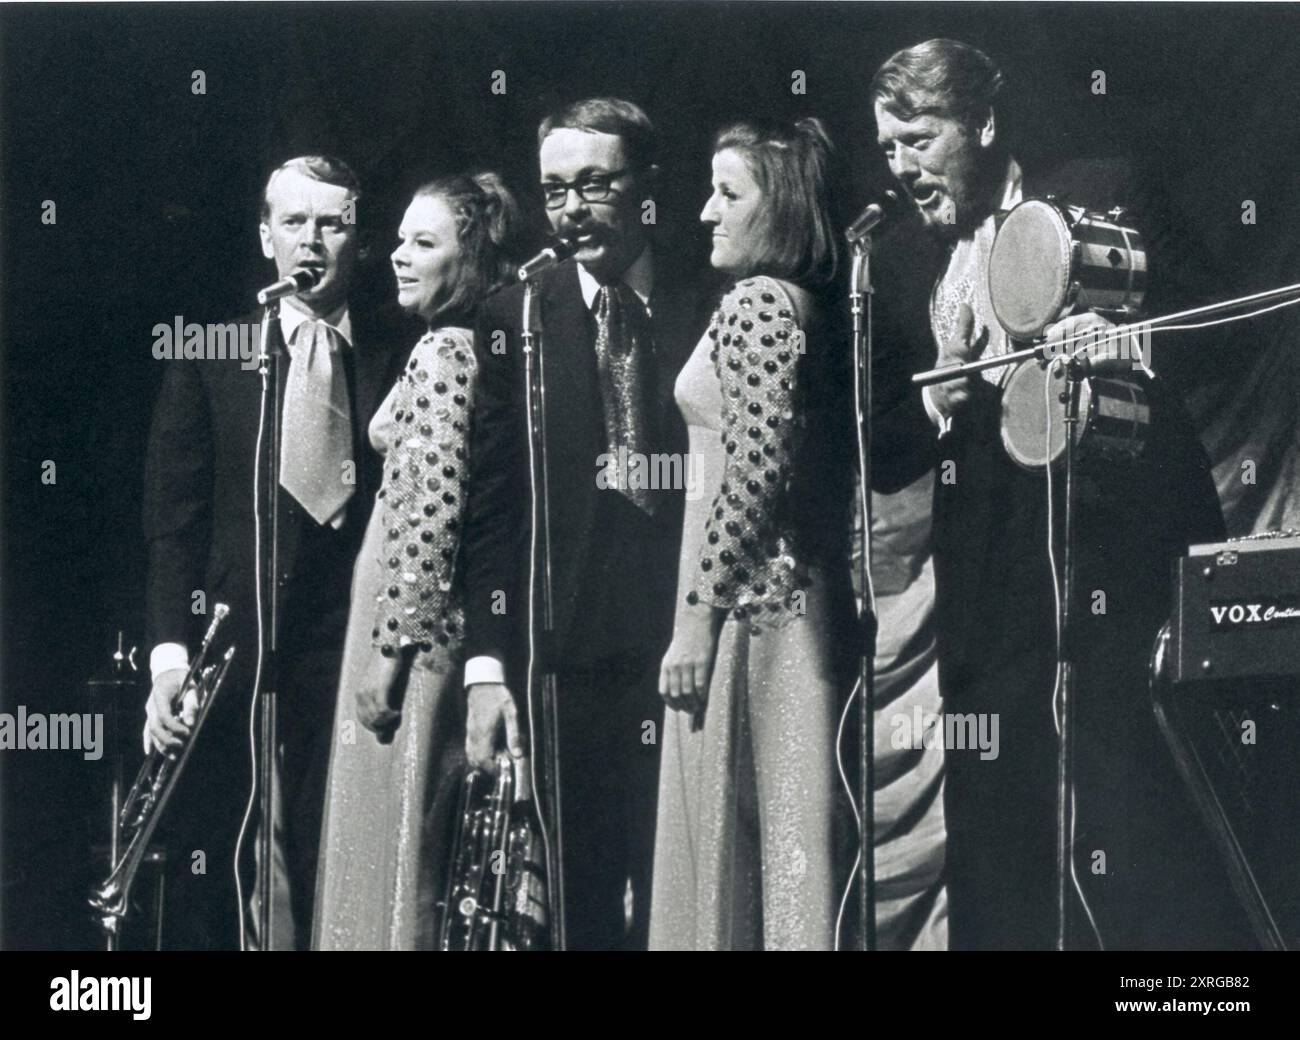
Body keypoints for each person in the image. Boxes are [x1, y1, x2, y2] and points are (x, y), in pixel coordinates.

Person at [868, 39, 1250, 949]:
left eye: (918, 139)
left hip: (1123, 563)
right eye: (886, 148)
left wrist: (1130, 334)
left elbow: (1227, 328)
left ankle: (1188, 1002)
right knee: (995, 816)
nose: (901, 166)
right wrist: (936, 398)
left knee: (1144, 806)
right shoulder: (893, 266)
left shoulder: (1105, 190)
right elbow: (878, 451)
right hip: (988, 593)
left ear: (985, 124)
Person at [142, 155, 410, 950]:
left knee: (342, 855)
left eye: (332, 224)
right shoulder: (212, 350)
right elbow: (174, 521)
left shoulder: (402, 350)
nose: (312, 241)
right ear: (266, 237)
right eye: (294, 223)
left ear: (359, 241)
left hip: (357, 658)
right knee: (231, 868)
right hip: (235, 658)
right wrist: (166, 660)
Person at [460, 97, 705, 950]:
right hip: (566, 667)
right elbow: (489, 511)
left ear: (648, 190)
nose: (571, 209)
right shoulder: (514, 318)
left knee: (686, 896)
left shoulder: (711, 298)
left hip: (691, 654)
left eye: (595, 184)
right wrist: (487, 669)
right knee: (582, 910)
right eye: (554, 189)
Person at [650, 118, 857, 951]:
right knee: (788, 849)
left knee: (762, 848)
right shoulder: (808, 303)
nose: (705, 211)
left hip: (750, 613)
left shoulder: (758, 302)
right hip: (783, 606)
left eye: (728, 194)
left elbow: (752, 473)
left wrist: (695, 621)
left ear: (783, 210)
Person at [312, 172, 522, 950]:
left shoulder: (444, 353)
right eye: (398, 238)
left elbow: (432, 514)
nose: (397, 255)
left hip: (411, 629)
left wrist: (389, 656)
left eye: (422, 243)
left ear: (468, 261)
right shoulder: (476, 349)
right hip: (421, 614)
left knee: (397, 847)